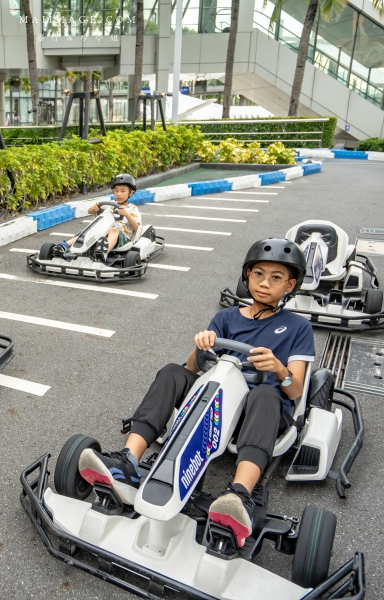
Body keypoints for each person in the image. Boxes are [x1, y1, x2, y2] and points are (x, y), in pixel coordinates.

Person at [78, 239, 315, 549]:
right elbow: (194, 367)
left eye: (276, 278)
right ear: (247, 276)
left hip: (260, 410)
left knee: (266, 395)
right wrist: (201, 345)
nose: (265, 283)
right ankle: (127, 460)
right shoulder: (226, 318)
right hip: (217, 397)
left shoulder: (298, 327)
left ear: (290, 285)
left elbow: (297, 389)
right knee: (172, 372)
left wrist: (279, 369)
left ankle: (239, 496)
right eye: (258, 274)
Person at [53, 174, 142, 261]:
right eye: (116, 190)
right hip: (103, 233)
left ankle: (104, 252)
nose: (119, 194)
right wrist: (94, 208)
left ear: (130, 193)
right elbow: (90, 212)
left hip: (122, 237)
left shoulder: (132, 208)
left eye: (123, 191)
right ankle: (64, 246)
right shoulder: (109, 205)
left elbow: (135, 227)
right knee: (88, 231)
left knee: (114, 229)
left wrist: (127, 214)